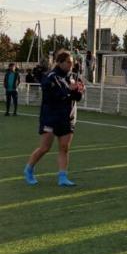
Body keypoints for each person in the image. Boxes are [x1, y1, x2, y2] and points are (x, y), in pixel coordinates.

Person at [23, 51, 85, 186]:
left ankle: (62, 177)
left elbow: (77, 97)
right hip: (50, 117)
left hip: (67, 117)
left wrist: (78, 91)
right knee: (45, 147)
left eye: (72, 62)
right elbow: (53, 95)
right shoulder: (50, 77)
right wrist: (69, 90)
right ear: (59, 62)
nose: (71, 64)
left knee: (64, 148)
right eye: (68, 62)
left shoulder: (73, 77)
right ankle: (28, 169)